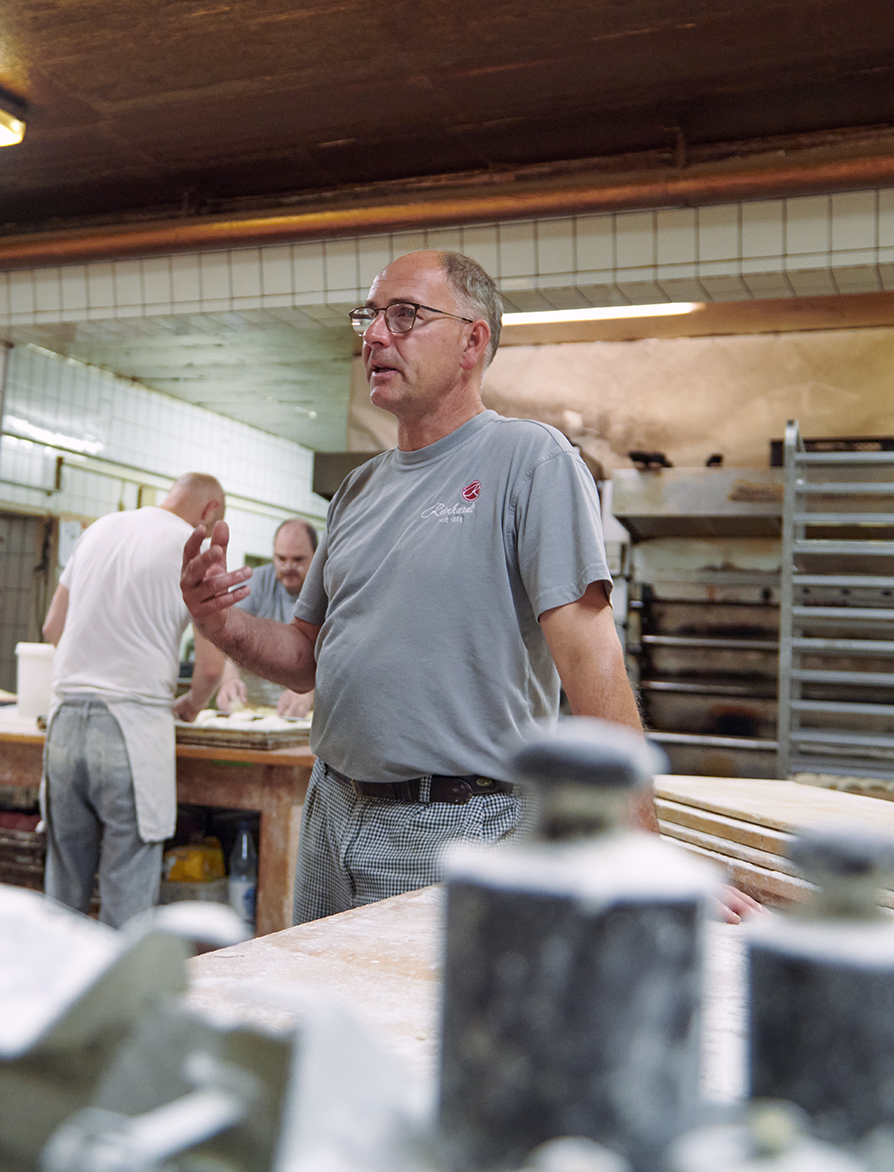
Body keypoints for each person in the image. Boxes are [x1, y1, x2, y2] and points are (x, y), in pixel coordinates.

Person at [180, 250, 762, 925]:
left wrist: (642, 850)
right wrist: (222, 624)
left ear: (472, 341)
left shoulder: (531, 460)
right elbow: (308, 656)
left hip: (459, 824)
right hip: (331, 810)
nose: (375, 335)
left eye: (405, 315)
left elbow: (593, 662)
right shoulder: (357, 490)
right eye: (370, 317)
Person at [40, 472, 229, 926]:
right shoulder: (194, 549)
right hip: (132, 732)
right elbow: (210, 668)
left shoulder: (99, 529)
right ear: (209, 511)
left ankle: (58, 973)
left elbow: (52, 629)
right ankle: (120, 977)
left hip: (63, 726)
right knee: (126, 904)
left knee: (62, 899)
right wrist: (191, 705)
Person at [215, 518, 318, 718]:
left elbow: (338, 656)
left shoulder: (328, 591)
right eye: (281, 558)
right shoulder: (255, 583)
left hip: (306, 715)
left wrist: (309, 692)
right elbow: (231, 637)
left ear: (316, 556)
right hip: (253, 709)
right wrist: (229, 679)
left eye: (298, 560)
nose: (288, 566)